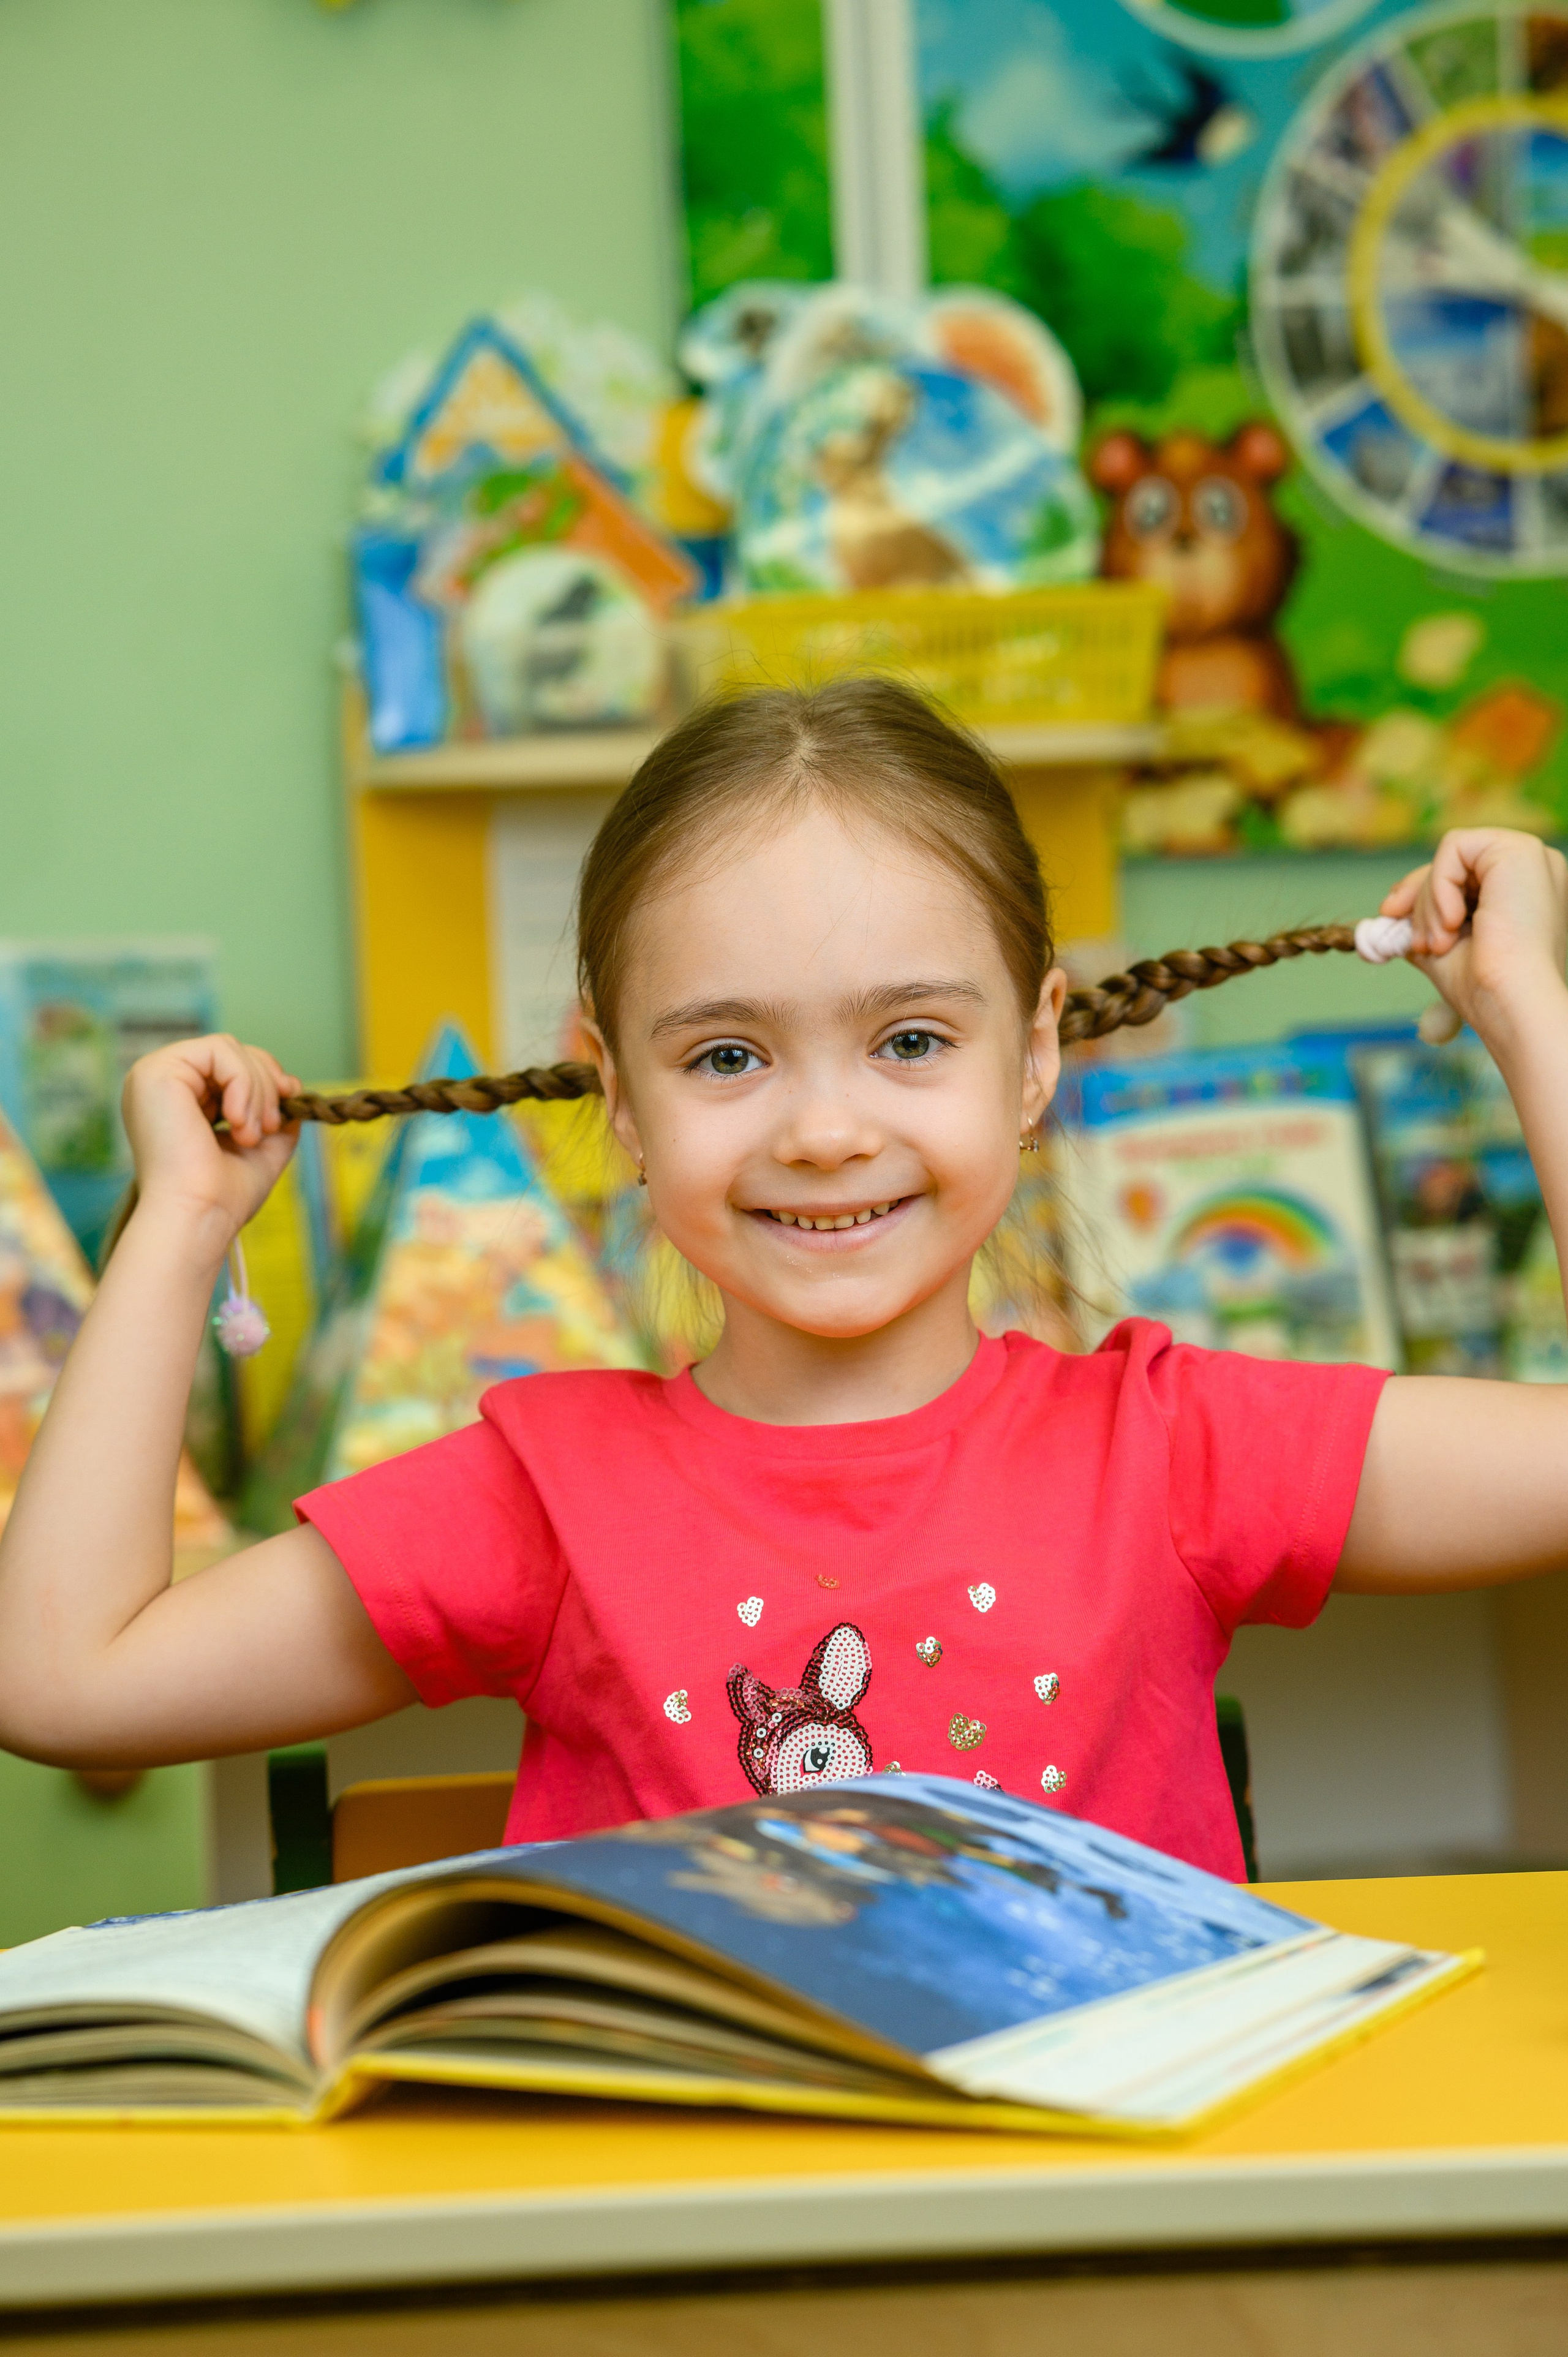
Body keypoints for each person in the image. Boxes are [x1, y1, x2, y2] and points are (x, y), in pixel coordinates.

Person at [2, 679, 1567, 1882]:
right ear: (617, 1094)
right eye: (728, 1055)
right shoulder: (544, 1495)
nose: (825, 1131)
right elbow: (67, 1680)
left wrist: (1528, 1016)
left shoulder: (1168, 1447)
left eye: (907, 1041)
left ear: (1030, 1060)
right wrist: (180, 1226)